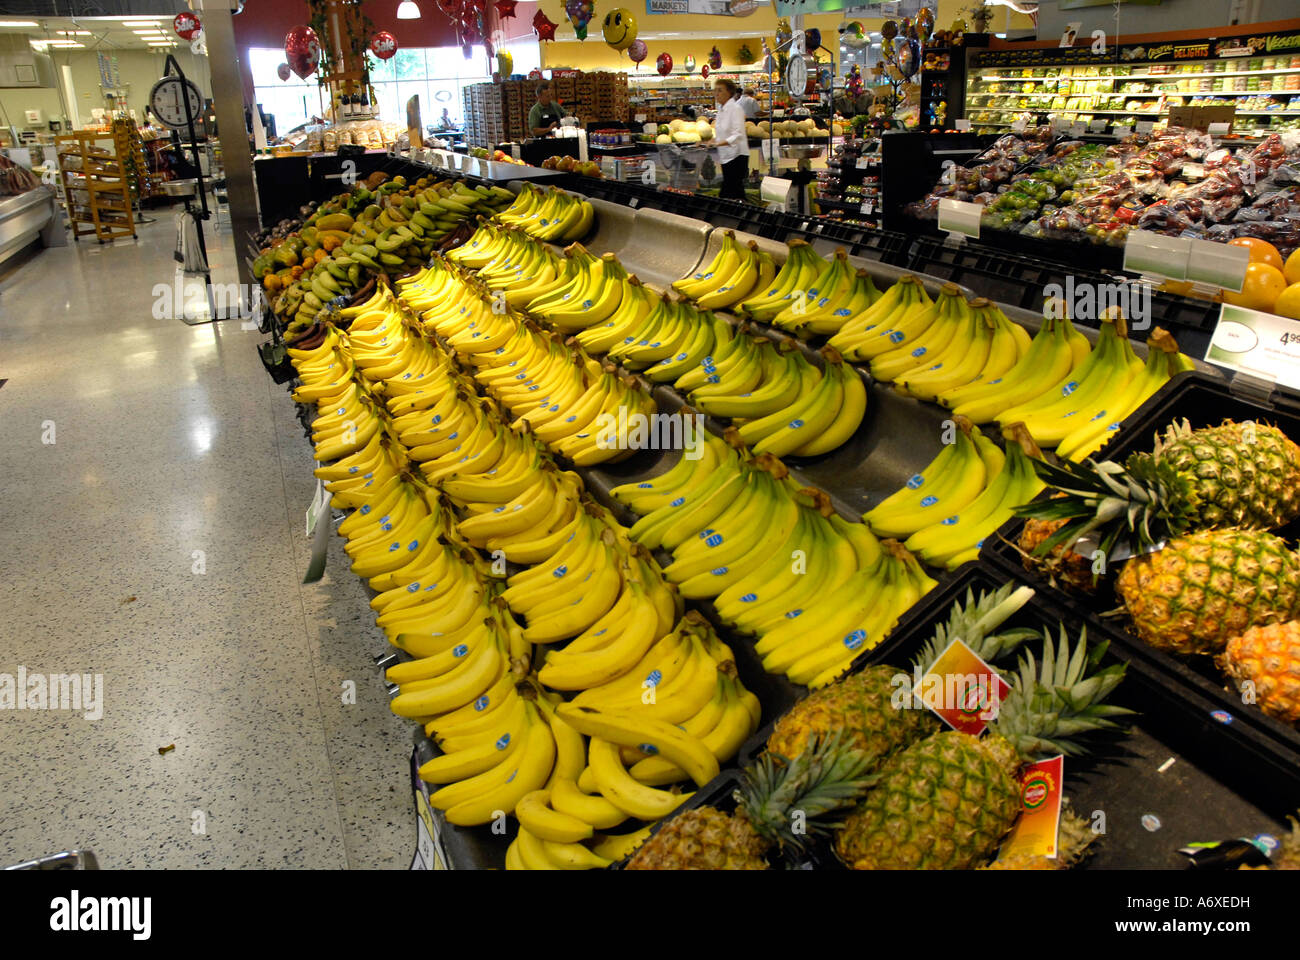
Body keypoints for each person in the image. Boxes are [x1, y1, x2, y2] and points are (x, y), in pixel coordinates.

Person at [712, 78, 748, 202]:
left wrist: (718, 143)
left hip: (737, 156)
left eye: (720, 90)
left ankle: (742, 215)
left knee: (731, 191)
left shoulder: (735, 109)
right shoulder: (721, 110)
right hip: (726, 156)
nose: (716, 93)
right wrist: (710, 141)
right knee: (732, 191)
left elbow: (737, 135)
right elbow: (721, 132)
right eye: (715, 90)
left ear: (729, 92)